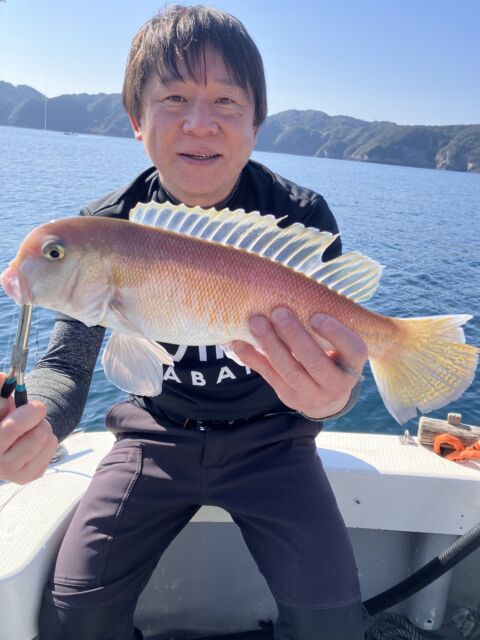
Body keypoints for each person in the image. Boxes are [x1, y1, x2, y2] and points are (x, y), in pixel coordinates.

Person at [0, 5, 369, 639]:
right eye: (173, 98)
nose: (200, 123)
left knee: (332, 624)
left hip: (275, 441)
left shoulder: (300, 217)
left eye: (227, 100)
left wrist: (335, 398)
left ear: (255, 123)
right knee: (74, 614)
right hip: (155, 435)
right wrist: (35, 425)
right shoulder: (104, 227)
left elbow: (337, 364)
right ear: (137, 121)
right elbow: (65, 363)